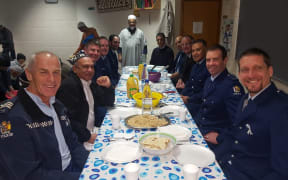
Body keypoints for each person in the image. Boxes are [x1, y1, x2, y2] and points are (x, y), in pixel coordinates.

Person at [0, 51, 89, 180]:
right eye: (43, 72)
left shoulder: (57, 105)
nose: (52, 79)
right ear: (29, 75)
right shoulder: (11, 117)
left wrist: (90, 165)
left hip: (71, 168)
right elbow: (28, 175)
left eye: (56, 72)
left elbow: (73, 144)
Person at [214, 48, 288, 180]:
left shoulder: (282, 109)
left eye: (258, 68)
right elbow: (236, 133)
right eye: (245, 70)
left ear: (270, 71)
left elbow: (281, 171)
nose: (251, 75)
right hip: (225, 164)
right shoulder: (246, 98)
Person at [57, 55, 115, 146]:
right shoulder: (69, 86)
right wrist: (88, 137)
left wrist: (108, 87)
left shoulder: (89, 83)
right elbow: (68, 118)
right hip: (78, 138)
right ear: (75, 69)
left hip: (91, 130)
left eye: (92, 67)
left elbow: (108, 102)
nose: (90, 70)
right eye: (85, 67)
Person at [194, 44, 244, 149]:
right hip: (200, 127)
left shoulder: (232, 86)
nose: (211, 64)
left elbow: (239, 121)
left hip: (213, 135)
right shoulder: (209, 80)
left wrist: (220, 137)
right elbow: (204, 107)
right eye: (208, 60)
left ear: (225, 60)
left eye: (215, 60)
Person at [177, 39, 210, 117]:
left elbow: (206, 93)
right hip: (190, 99)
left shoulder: (209, 67)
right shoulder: (195, 66)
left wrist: (188, 99)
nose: (195, 53)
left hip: (198, 104)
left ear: (206, 50)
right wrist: (182, 95)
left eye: (198, 50)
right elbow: (189, 84)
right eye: (193, 51)